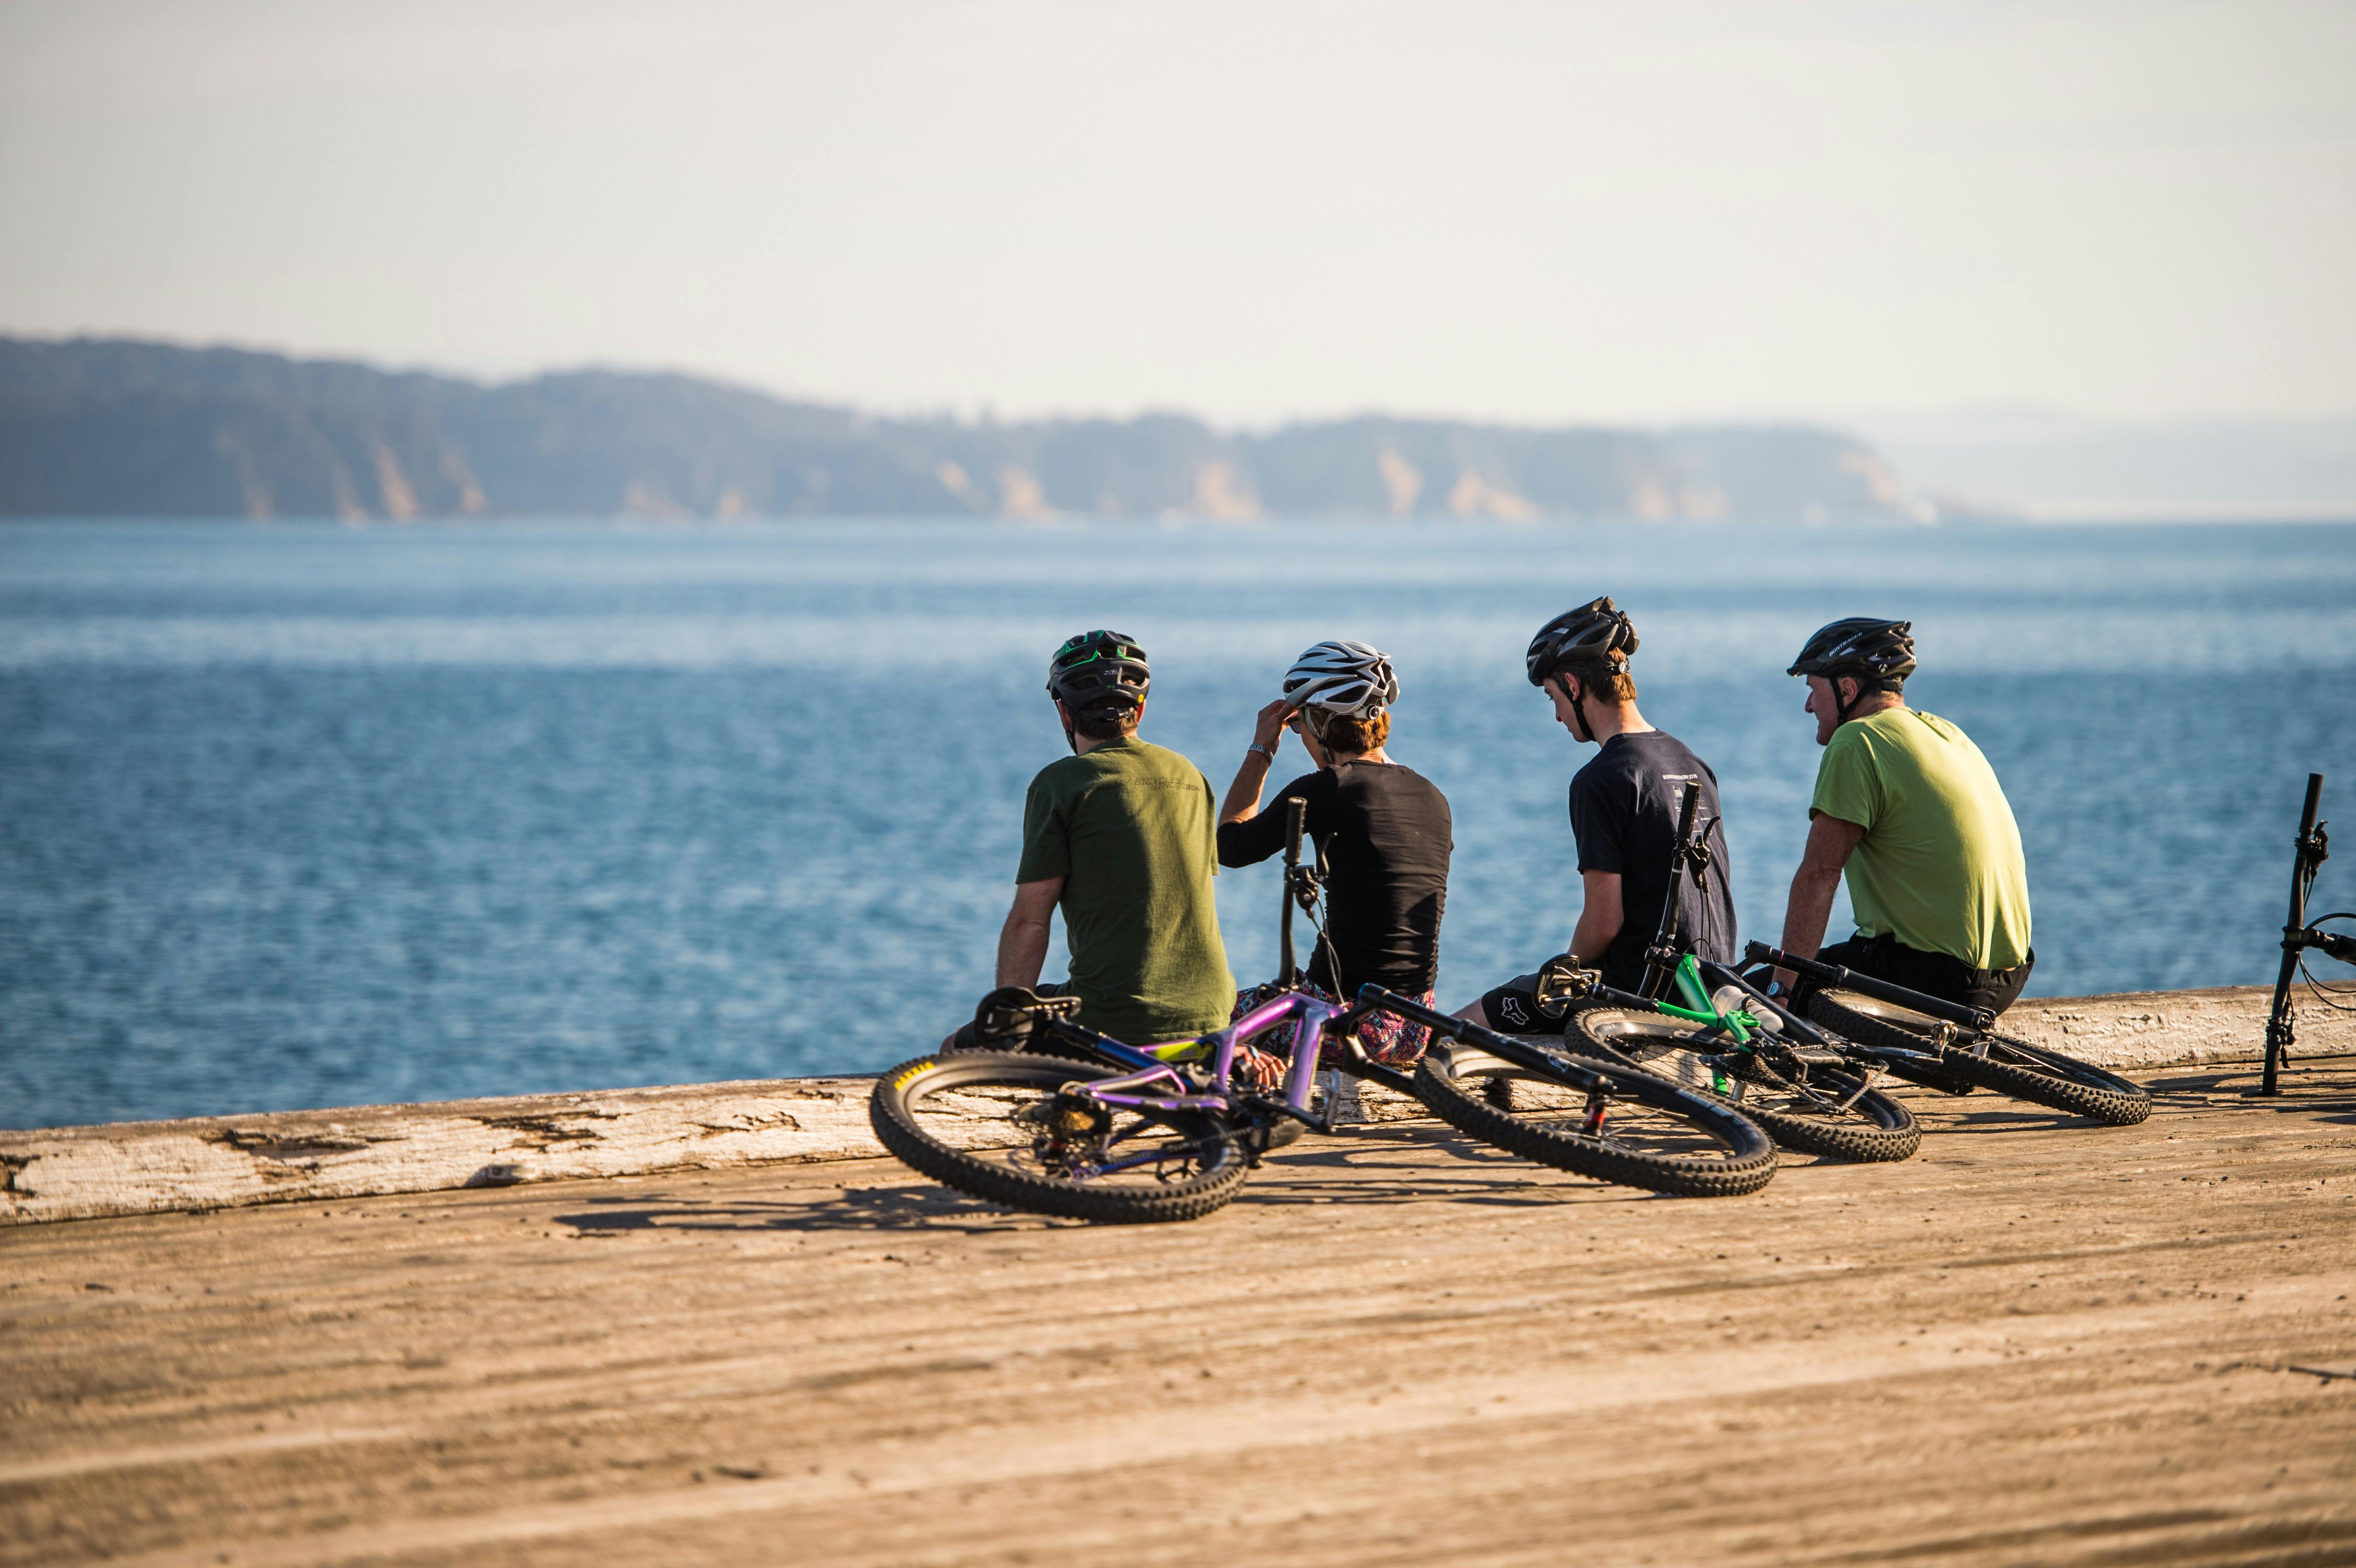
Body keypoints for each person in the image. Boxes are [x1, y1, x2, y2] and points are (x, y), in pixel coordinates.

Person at [1457, 597, 1736, 1032]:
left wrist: (1563, 970)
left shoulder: (1602, 779)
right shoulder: (1692, 762)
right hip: (1712, 986)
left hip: (1643, 992)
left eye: (1553, 697)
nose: (1557, 716)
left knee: (1465, 1023)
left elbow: (1604, 923)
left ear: (1573, 686)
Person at [946, 629, 1234, 1050]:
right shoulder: (1191, 776)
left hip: (1113, 1020)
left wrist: (1005, 1028)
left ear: (1065, 713)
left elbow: (1031, 920)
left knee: (957, 1047)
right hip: (1211, 1014)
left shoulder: (1061, 783)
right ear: (1141, 709)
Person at [1770, 618, 2034, 1016]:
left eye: (1813, 689)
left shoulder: (1856, 740)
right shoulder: (1949, 735)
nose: (1808, 705)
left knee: (1738, 989)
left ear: (1847, 689)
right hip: (2007, 980)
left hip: (1934, 979)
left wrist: (1780, 992)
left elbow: (1819, 877)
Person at [1217, 641, 1453, 1066]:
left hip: (1344, 1024)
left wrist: (1262, 748)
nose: (1300, 736)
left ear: (1321, 722)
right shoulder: (1433, 796)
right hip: (1415, 1028)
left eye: (1298, 726)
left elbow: (1230, 847)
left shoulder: (1327, 788)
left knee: (1206, 1010)